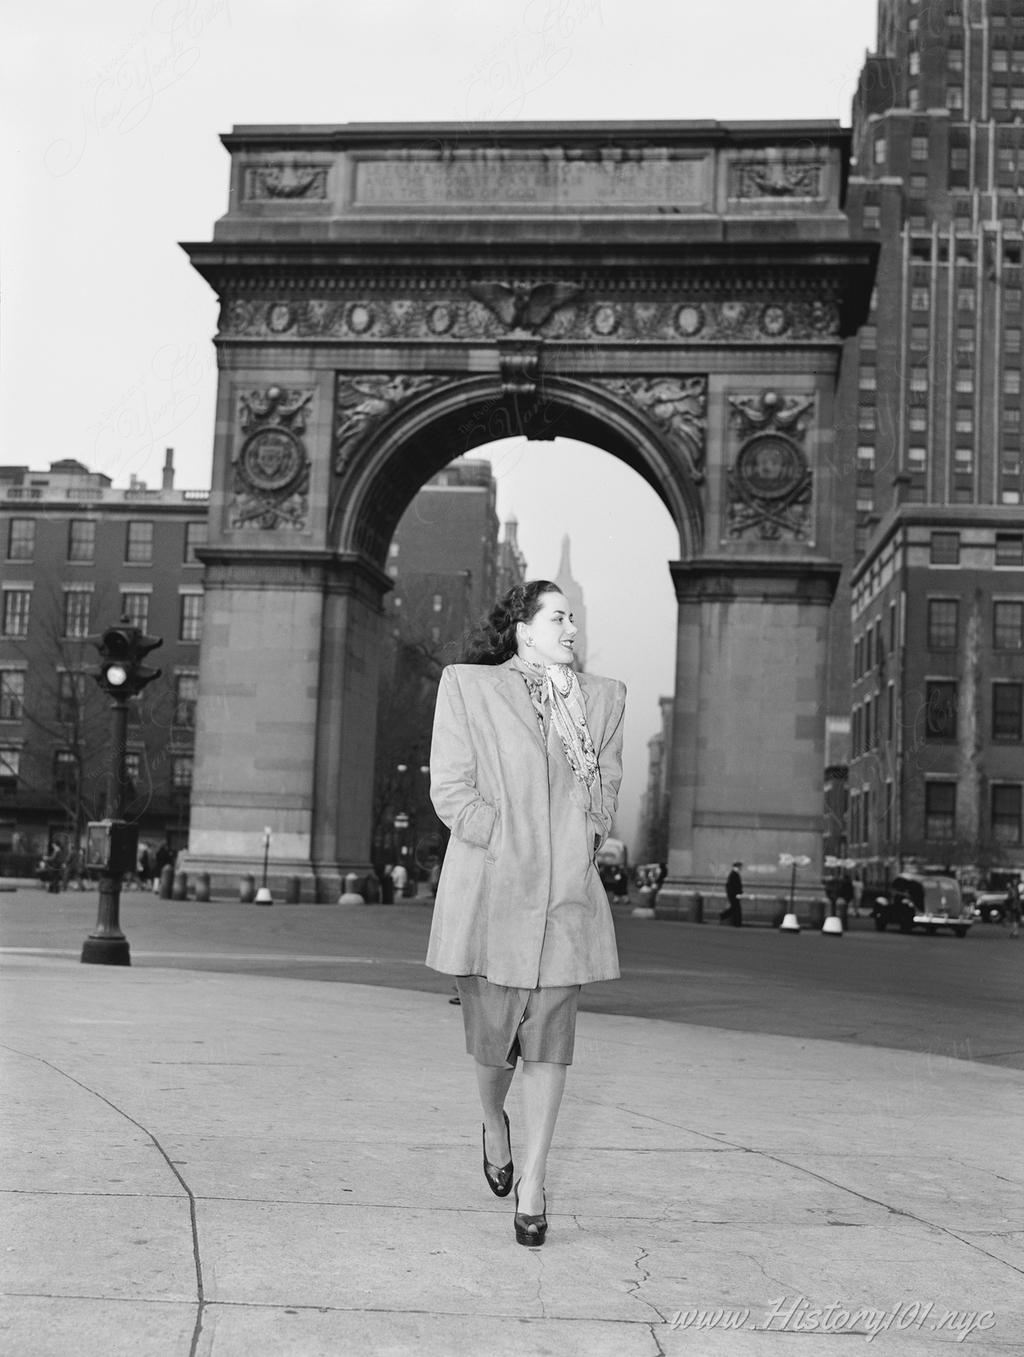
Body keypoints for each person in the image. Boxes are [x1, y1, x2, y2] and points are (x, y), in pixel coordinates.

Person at [426, 579, 626, 1248]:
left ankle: (533, 1184)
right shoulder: (467, 687)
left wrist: (578, 850)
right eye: (558, 617)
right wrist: (507, 839)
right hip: (492, 897)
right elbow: (451, 789)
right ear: (523, 628)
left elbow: (605, 793)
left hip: (565, 900)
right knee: (494, 1051)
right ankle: (492, 1120)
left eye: (575, 617)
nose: (571, 628)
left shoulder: (603, 699)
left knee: (549, 1047)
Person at [721, 861, 744, 926]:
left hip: (734, 895)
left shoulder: (734, 874)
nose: (740, 868)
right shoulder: (734, 875)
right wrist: (737, 894)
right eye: (739, 867)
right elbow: (734, 886)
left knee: (735, 909)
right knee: (736, 909)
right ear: (736, 867)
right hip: (734, 895)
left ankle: (735, 922)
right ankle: (736, 923)